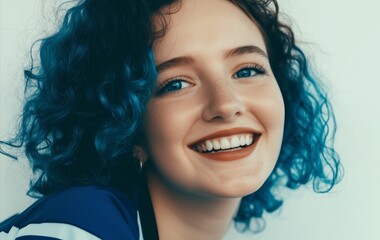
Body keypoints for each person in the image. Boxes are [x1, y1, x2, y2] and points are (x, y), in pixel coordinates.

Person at [0, 0, 342, 239]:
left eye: (248, 70)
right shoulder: (81, 224)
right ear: (125, 125)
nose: (226, 104)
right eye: (176, 83)